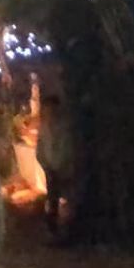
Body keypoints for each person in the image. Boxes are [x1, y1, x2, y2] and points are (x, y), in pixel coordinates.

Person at [36, 94, 75, 238]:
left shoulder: (64, 127)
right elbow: (40, 150)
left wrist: (64, 164)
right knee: (52, 200)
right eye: (46, 109)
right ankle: (53, 231)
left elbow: (67, 147)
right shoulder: (44, 128)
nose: (49, 112)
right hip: (51, 169)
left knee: (67, 200)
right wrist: (46, 165)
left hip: (64, 168)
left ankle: (67, 231)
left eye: (51, 109)